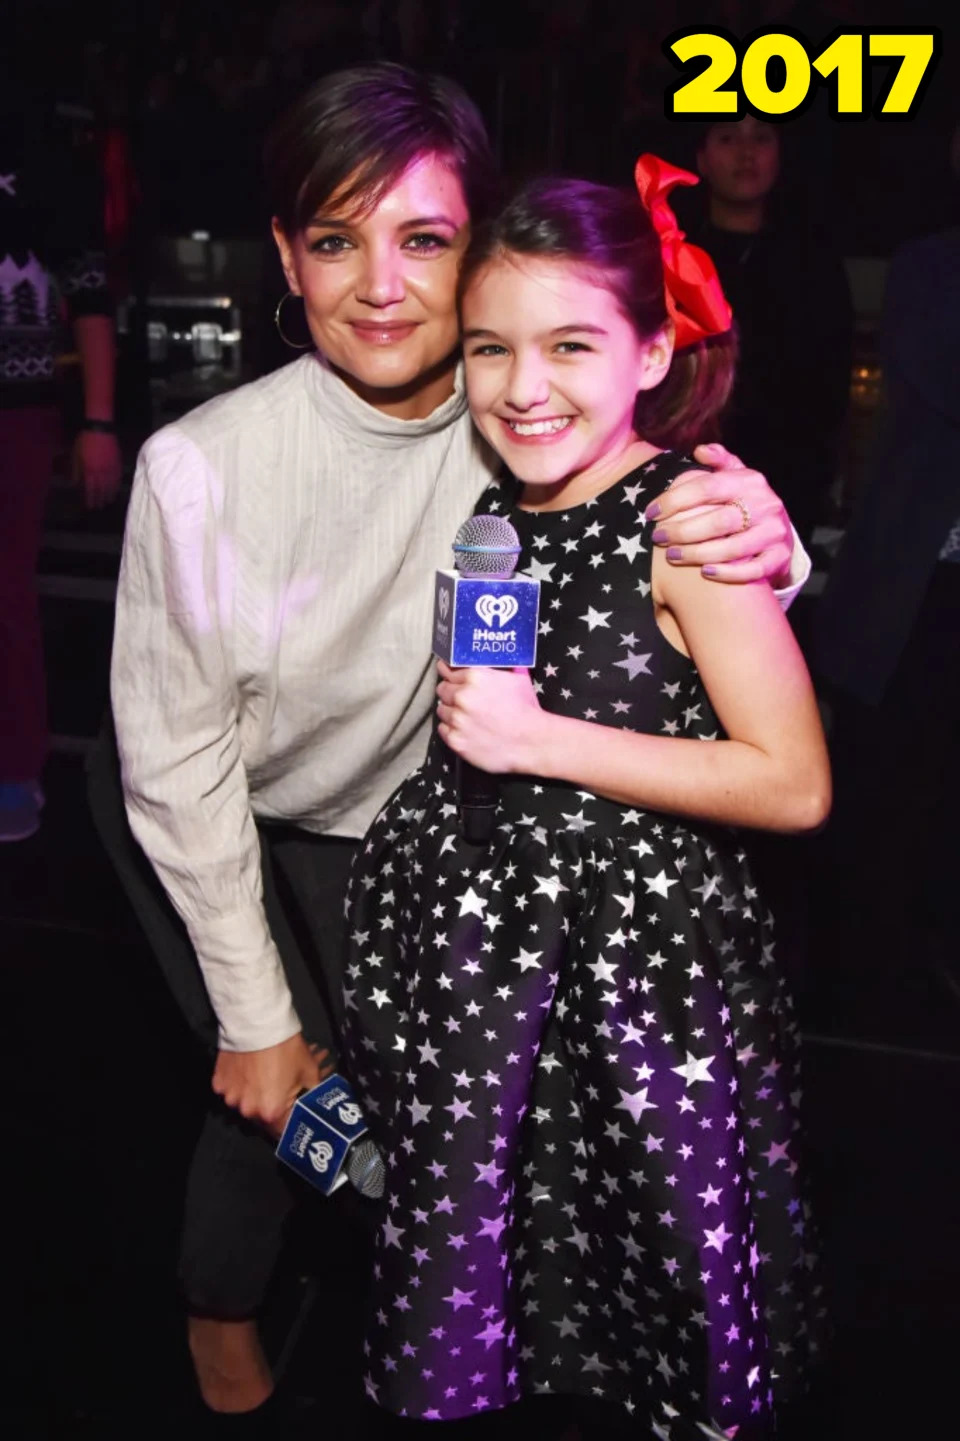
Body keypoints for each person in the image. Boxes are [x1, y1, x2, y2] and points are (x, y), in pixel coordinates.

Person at [95, 64, 810, 1427]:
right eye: (333, 240)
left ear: (477, 255)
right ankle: (217, 1314)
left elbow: (667, 535)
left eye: (423, 239)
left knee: (422, 1128)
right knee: (268, 1096)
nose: (380, 285)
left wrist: (764, 543)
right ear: (287, 268)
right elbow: (177, 774)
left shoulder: (521, 425)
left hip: (423, 824)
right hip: (226, 811)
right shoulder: (202, 465)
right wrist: (258, 1025)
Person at [342, 158, 831, 1440]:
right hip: (499, 991)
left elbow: (792, 784)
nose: (523, 386)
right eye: (492, 347)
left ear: (655, 351)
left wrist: (538, 738)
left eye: (571, 343)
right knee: (511, 1285)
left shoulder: (692, 524)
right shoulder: (499, 510)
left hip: (631, 992)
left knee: (649, 1280)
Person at [0, 73, 122, 842]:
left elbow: (90, 295)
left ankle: (15, 769)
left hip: (16, 412)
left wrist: (100, 422)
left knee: (5, 594)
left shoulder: (35, 149)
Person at [685, 115, 853, 548]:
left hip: (787, 478)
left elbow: (831, 386)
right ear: (702, 158)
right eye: (727, 138)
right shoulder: (674, 254)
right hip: (683, 469)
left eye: (761, 138)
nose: (746, 153)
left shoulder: (814, 263)